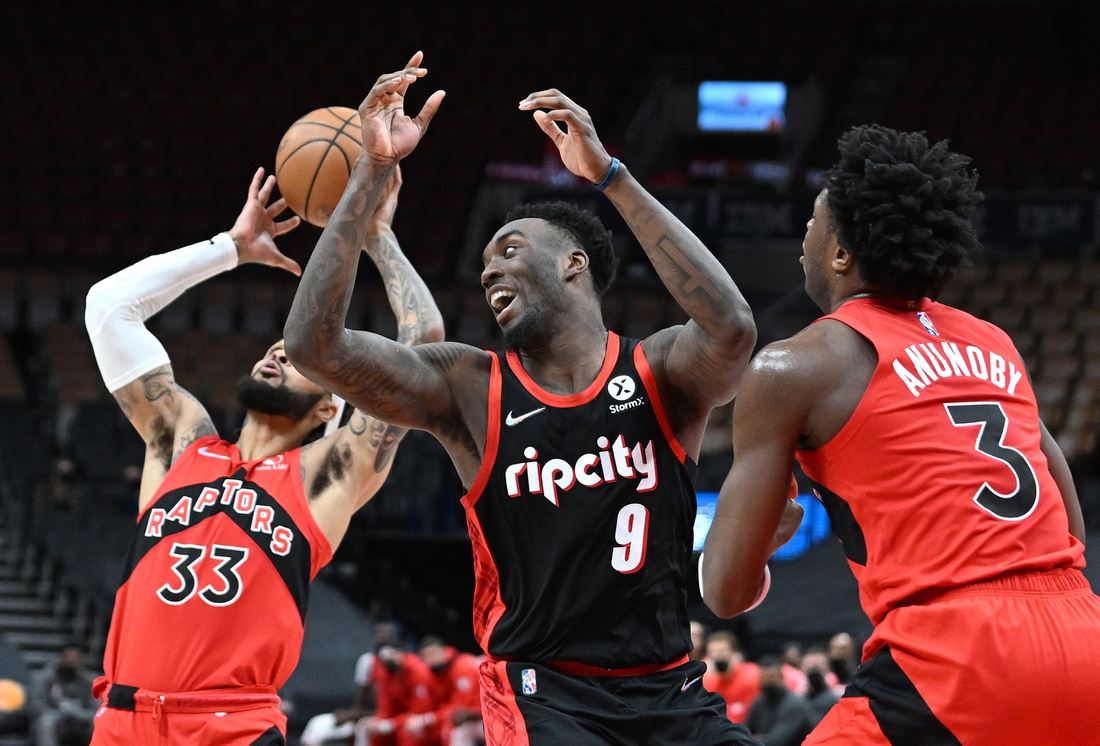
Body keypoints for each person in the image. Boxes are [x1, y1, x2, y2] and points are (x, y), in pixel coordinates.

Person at [285, 53, 765, 745]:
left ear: (574, 263)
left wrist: (611, 176)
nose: (490, 270)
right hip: (545, 691)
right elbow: (313, 348)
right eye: (484, 266)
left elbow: (733, 327)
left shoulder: (659, 371)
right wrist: (369, 172)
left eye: (508, 249)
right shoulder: (469, 386)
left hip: (670, 689)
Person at [700, 124, 1100, 745]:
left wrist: (764, 543)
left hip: (957, 650)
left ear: (840, 253)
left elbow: (725, 592)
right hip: (1082, 634)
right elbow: (1069, 524)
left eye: (812, 222)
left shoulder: (794, 367)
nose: (801, 240)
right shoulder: (993, 343)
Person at [84, 166, 443, 745]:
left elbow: (421, 347)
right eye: (274, 348)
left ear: (331, 409)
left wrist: (379, 236)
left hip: (234, 729)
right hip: (123, 724)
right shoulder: (182, 443)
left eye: (296, 357)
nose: (277, 354)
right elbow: (108, 307)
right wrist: (230, 248)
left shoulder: (325, 474)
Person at [355, 639, 438, 746]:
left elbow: (420, 711)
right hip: (400, 719)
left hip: (424, 718)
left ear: (399, 654)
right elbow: (385, 708)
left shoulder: (418, 670)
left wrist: (390, 724)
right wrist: (380, 721)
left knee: (410, 729)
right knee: (367, 727)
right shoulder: (385, 672)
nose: (390, 664)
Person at [411, 636, 484, 746]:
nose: (431, 658)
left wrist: (428, 719)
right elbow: (425, 706)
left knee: (453, 732)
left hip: (484, 716)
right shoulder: (430, 674)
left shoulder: (463, 666)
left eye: (433, 653)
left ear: (443, 650)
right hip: (464, 720)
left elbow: (462, 709)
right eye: (426, 655)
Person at [743, 657, 814, 746]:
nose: (768, 682)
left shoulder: (795, 704)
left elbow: (778, 741)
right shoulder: (759, 701)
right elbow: (745, 732)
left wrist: (750, 740)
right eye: (764, 678)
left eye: (772, 677)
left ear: (781, 677)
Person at [33, 647, 97, 746]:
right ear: (62, 658)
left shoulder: (87, 680)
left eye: (76, 657)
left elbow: (94, 706)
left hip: (80, 717)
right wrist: (58, 713)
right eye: (69, 657)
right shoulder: (47, 677)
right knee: (45, 723)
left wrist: (81, 713)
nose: (72, 660)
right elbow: (39, 703)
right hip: (54, 715)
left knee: (98, 723)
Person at [701, 631, 759, 724]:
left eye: (722, 651)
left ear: (734, 652)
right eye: (712, 652)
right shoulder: (706, 681)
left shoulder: (753, 674)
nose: (717, 656)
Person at [798, 649, 839, 725]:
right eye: (810, 668)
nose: (814, 674)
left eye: (818, 668)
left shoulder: (839, 697)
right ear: (801, 669)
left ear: (828, 669)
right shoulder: (792, 699)